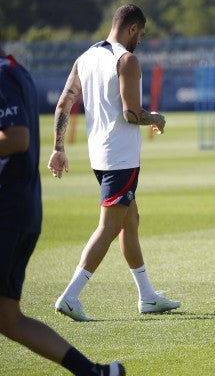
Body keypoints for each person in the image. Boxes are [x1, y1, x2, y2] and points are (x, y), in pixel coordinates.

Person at [47, 4, 180, 322]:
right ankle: (70, 296)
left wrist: (58, 148)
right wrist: (155, 117)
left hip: (100, 157)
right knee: (108, 227)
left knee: (129, 221)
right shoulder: (126, 59)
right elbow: (131, 114)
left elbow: (64, 102)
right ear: (133, 28)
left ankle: (147, 296)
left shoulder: (86, 57)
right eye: (142, 34)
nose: (140, 41)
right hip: (121, 158)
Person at [0, 46, 125, 375]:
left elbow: (17, 138)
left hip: (7, 213)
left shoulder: (4, 74)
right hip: (23, 210)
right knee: (8, 319)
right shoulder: (18, 72)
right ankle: (92, 372)